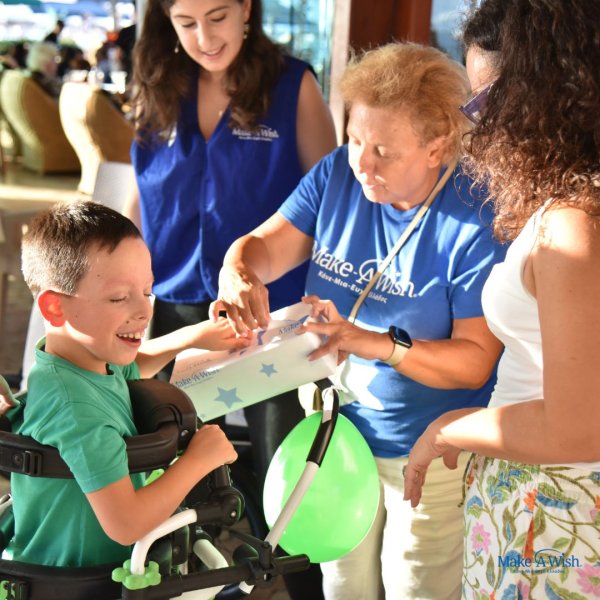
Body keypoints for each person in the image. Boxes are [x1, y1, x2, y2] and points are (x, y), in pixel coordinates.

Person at [212, 42, 506, 599]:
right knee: (343, 582)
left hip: (427, 449)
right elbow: (263, 248)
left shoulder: (476, 216)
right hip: (336, 430)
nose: (361, 164)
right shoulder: (337, 176)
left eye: (383, 152)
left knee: (415, 586)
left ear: (437, 147)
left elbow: (474, 363)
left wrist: (372, 342)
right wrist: (239, 270)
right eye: (353, 140)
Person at [125, 3, 336, 595]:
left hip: (270, 310)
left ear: (246, 8)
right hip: (174, 301)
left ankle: (293, 585)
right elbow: (144, 195)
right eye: (186, 22)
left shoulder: (292, 86)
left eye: (217, 16)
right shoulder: (158, 84)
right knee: (179, 463)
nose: (204, 37)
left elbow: (329, 200)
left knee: (282, 463)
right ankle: (198, 583)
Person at [403, 1, 600, 598]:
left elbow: (576, 428)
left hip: (555, 510)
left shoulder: (572, 226)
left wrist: (450, 428)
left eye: (486, 100)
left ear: (547, 91)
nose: (478, 121)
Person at [2, 201, 247, 567]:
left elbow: (134, 366)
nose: (144, 311)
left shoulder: (79, 364)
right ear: (55, 308)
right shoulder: (77, 410)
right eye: (119, 297)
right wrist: (198, 460)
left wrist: (193, 337)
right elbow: (126, 523)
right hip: (77, 582)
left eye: (147, 291)